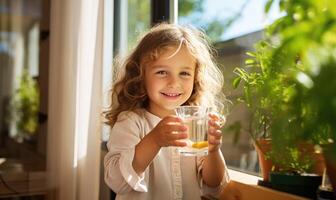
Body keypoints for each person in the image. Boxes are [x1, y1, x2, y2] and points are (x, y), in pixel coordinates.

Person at [103, 23, 230, 200]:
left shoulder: (197, 125)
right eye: (162, 72)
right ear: (140, 75)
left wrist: (213, 150)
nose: (173, 83)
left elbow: (213, 184)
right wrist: (154, 140)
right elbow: (117, 181)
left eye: (184, 73)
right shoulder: (131, 121)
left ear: (195, 78)